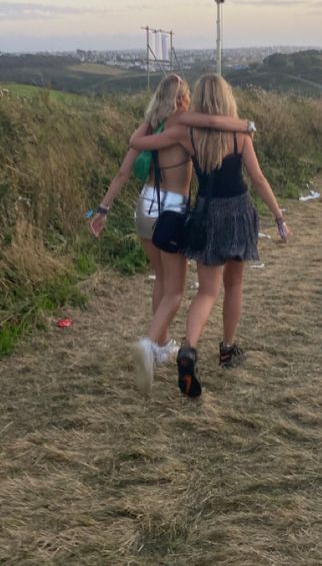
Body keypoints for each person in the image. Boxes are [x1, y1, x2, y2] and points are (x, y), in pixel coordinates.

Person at [89, 73, 251, 393]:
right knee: (175, 291)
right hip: (171, 210)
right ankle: (149, 345)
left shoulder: (151, 125)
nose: (190, 101)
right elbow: (215, 124)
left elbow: (125, 168)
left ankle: (162, 344)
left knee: (162, 280)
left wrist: (103, 209)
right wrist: (246, 126)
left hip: (144, 206)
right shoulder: (183, 126)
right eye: (187, 95)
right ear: (181, 100)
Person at [129, 74, 289, 399]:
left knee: (206, 291)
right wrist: (279, 216)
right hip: (237, 212)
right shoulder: (240, 136)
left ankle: (188, 350)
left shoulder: (187, 133)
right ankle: (228, 349)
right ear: (227, 99)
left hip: (204, 215)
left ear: (199, 100)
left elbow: (139, 144)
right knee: (234, 285)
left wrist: (149, 121)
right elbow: (257, 178)